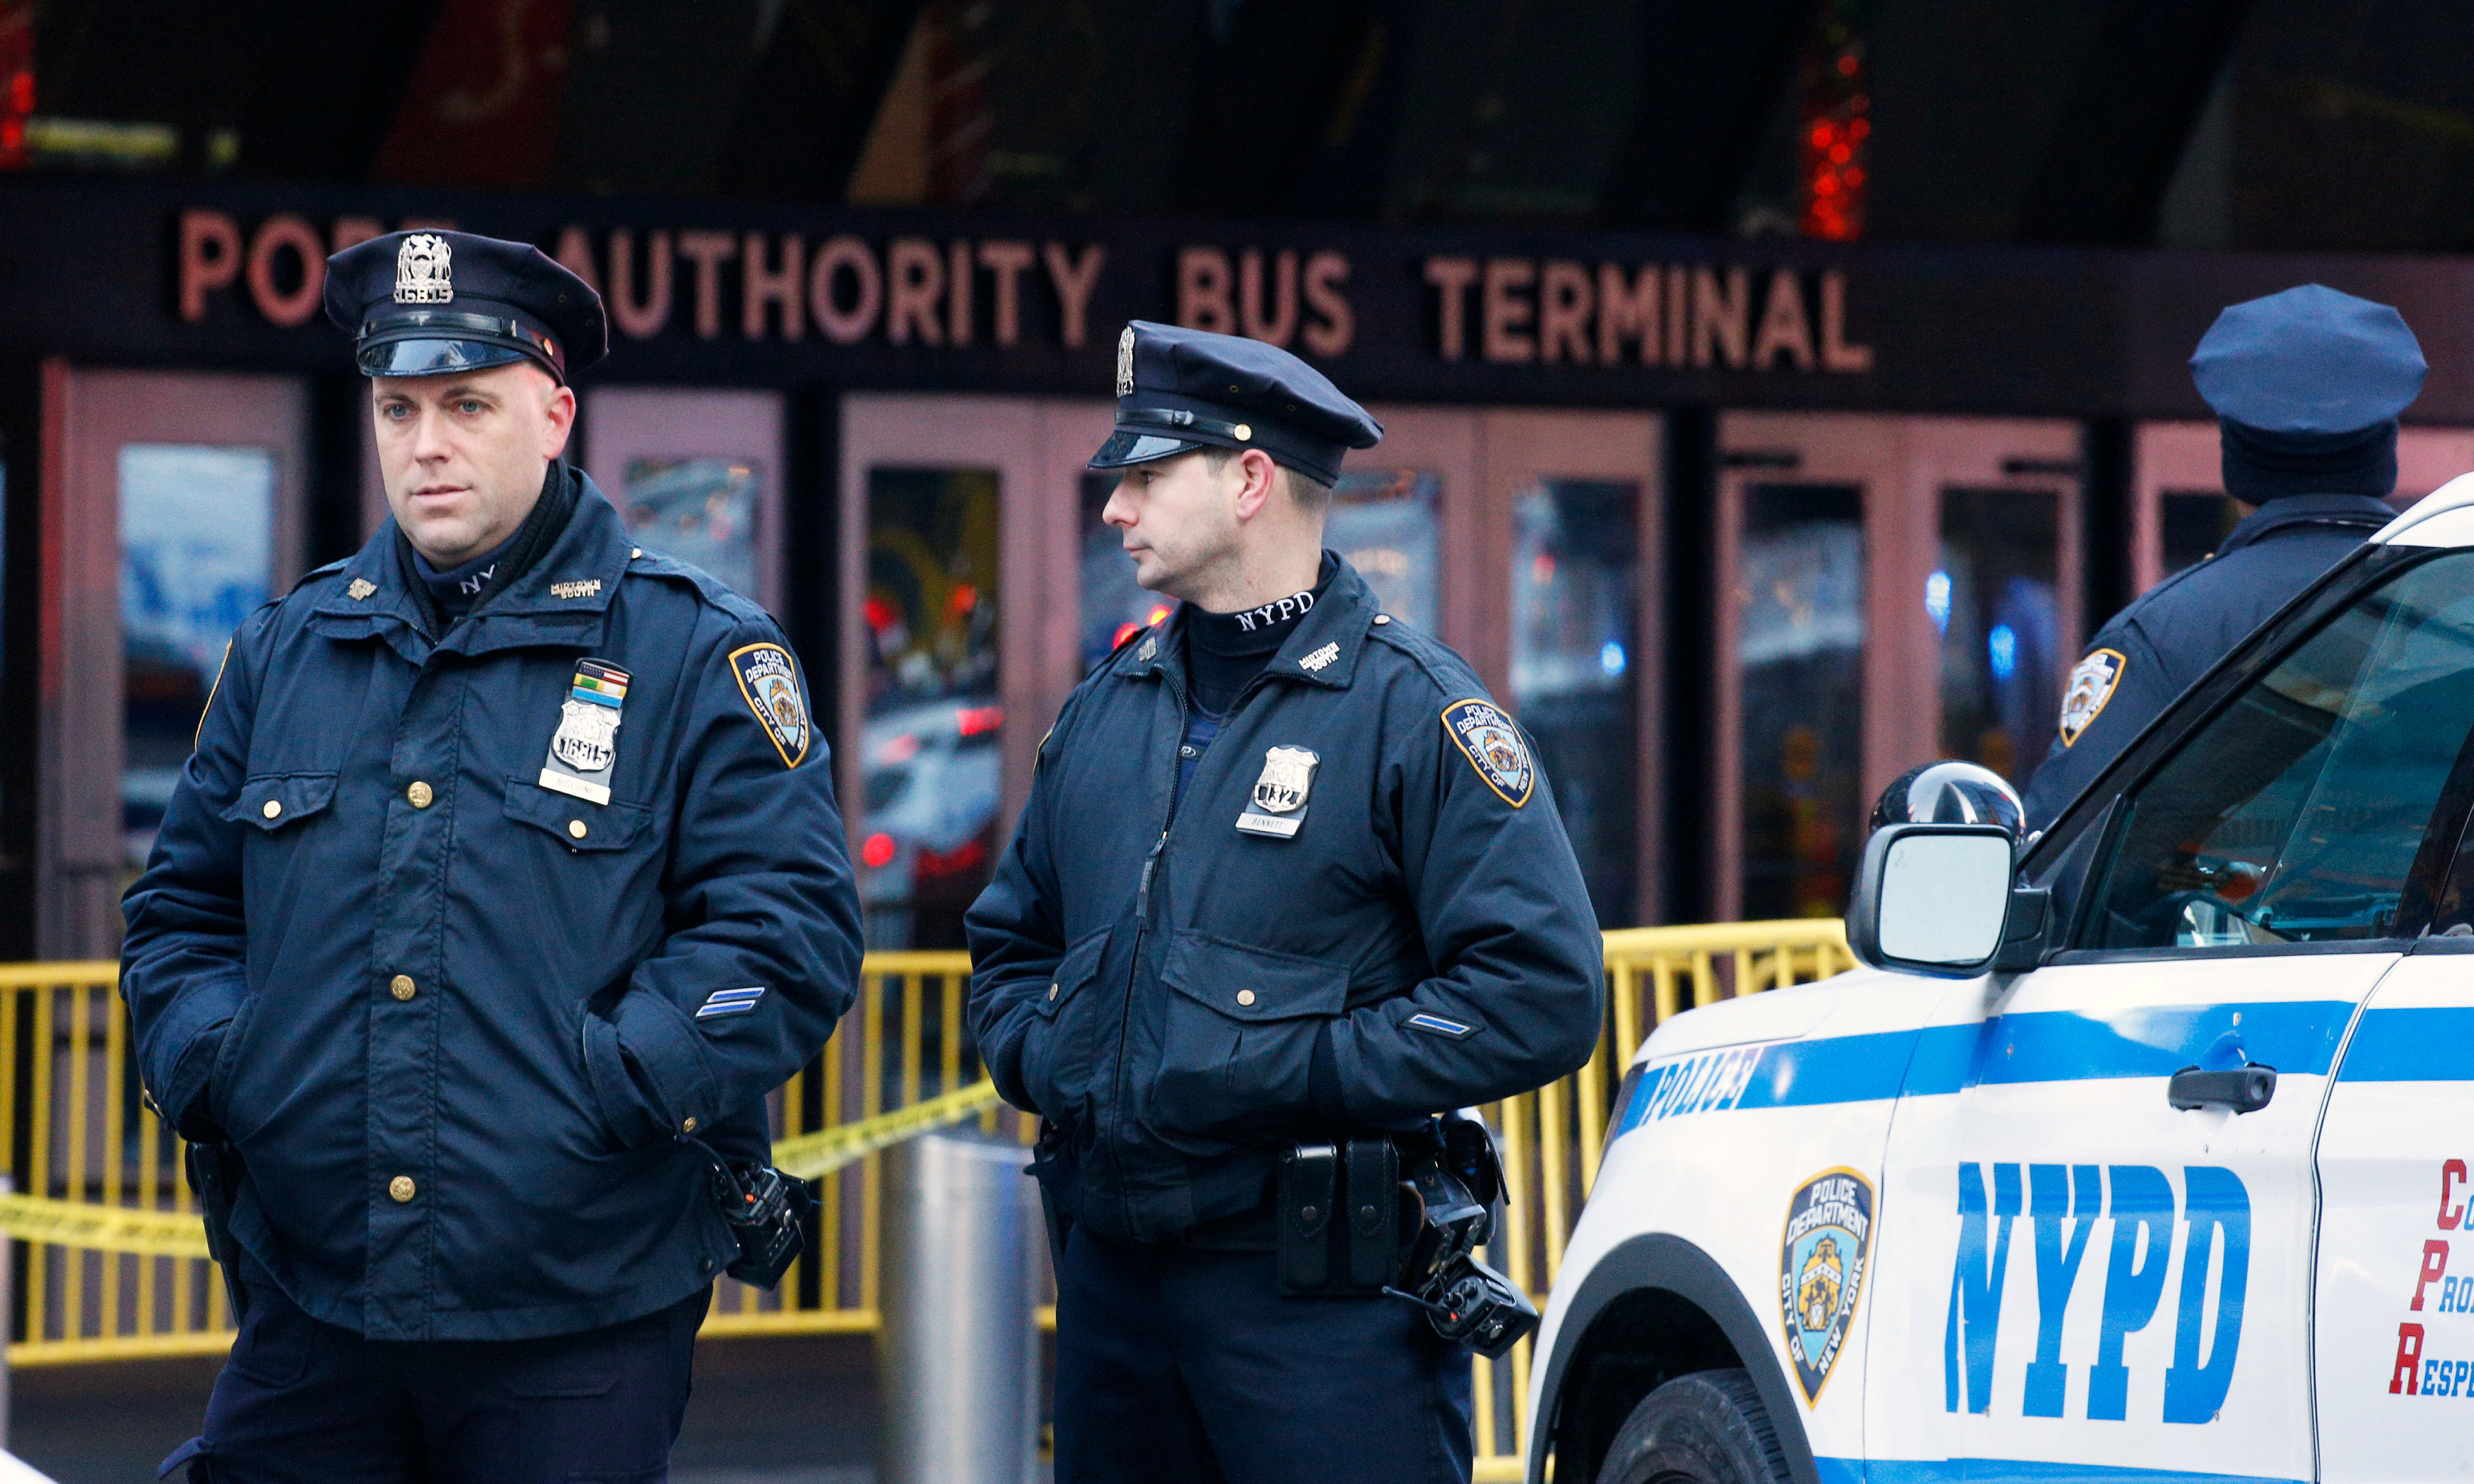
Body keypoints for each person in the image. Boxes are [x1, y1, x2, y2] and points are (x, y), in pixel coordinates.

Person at [119, 230, 865, 1482]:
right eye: (398, 407)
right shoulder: (290, 648)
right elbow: (182, 914)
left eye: (469, 403)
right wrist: (225, 1068)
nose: (428, 443)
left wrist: (611, 1088)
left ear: (556, 413)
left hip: (574, 1320)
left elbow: (785, 937)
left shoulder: (698, 650)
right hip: (317, 1300)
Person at [966, 320, 1607, 1484]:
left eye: (1147, 476)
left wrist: (1297, 1068)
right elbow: (1009, 943)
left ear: (1251, 480)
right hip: (1114, 1290)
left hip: (1320, 1312)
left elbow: (1542, 990)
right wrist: (1048, 1054)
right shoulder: (1109, 707)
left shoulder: (1414, 712)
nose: (1116, 508)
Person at [2024, 283, 2427, 829]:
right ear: (2386, 449)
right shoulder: (2457, 599)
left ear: (2234, 458)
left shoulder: (2159, 637)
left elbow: (2070, 860)